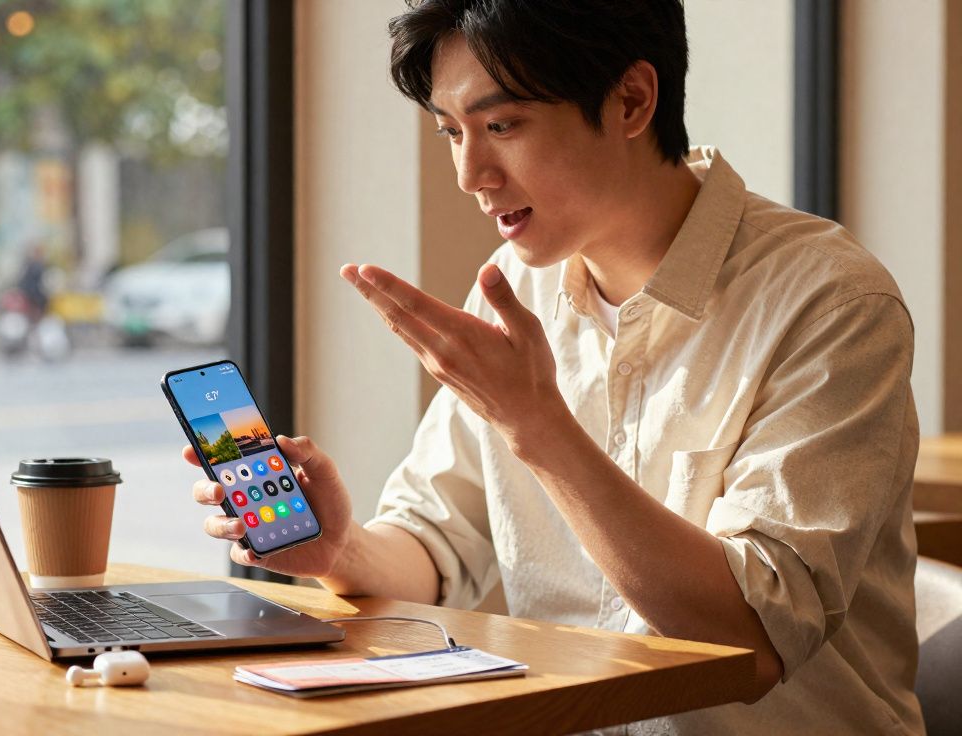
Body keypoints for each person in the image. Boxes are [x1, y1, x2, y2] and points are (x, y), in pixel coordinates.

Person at [186, 1, 924, 732]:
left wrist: (537, 426)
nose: (471, 173)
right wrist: (339, 547)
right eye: (452, 133)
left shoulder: (831, 303)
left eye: (501, 126)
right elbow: (441, 549)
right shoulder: (516, 288)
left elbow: (753, 643)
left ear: (632, 100)